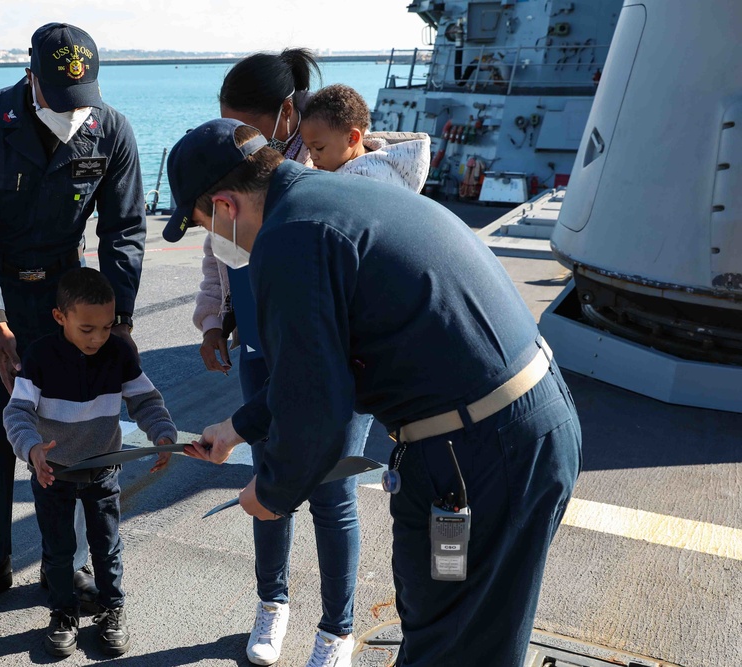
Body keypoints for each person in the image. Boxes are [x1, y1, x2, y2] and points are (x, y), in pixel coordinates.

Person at [163, 119, 582, 667]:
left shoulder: (288, 240)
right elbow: (320, 371)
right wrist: (237, 429)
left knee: (452, 642)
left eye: (201, 225)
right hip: (517, 426)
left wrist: (271, 493)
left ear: (224, 206)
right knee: (463, 622)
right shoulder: (331, 197)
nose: (212, 241)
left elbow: (320, 410)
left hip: (477, 456)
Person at [0, 22, 146, 620]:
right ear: (31, 76)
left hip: (70, 303)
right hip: (2, 300)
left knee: (79, 432)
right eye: (61, 102)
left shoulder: (109, 128)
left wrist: (120, 322)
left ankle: (75, 561)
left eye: (83, 104)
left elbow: (124, 232)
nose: (73, 116)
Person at [190, 50, 374, 667]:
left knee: (331, 491)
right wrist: (214, 319)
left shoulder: (321, 176)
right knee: (267, 480)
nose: (239, 138)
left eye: (247, 125)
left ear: (286, 115)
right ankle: (273, 603)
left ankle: (336, 627)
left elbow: (325, 362)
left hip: (334, 359)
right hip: (262, 349)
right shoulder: (233, 183)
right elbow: (219, 252)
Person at [3, 267, 176, 657]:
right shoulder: (40, 357)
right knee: (59, 549)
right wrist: (31, 449)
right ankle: (63, 613)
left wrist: (162, 433)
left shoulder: (119, 351)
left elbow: (145, 400)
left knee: (107, 545)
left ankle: (113, 610)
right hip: (53, 473)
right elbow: (17, 413)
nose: (98, 337)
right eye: (87, 329)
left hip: (102, 470)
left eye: (107, 326)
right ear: (60, 317)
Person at [300, 84, 430, 192]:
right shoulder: (379, 161)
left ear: (352, 138)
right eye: (309, 149)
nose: (313, 156)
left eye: (319, 148)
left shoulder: (359, 183)